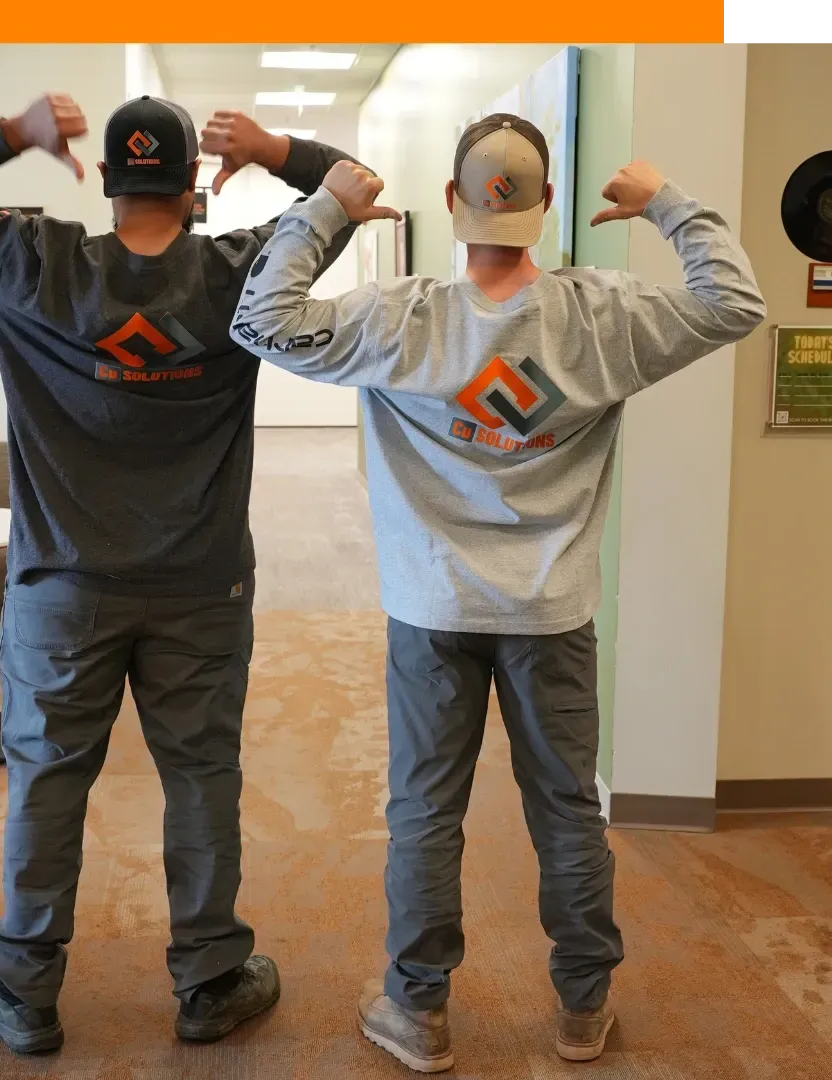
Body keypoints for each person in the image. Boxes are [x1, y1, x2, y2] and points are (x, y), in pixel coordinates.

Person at [231, 113, 765, 1072]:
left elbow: (258, 320)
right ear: (550, 204)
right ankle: (582, 1009)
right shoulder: (604, 315)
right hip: (552, 613)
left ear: (449, 201)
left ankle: (418, 1011)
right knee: (565, 808)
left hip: (431, 613)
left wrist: (327, 213)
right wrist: (667, 206)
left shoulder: (400, 316)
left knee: (424, 813)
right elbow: (734, 301)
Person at [0, 92, 359, 1054]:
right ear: (193, 187)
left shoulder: (35, 261)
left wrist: (12, 134)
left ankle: (23, 991)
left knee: (48, 782)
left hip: (61, 586)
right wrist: (271, 149)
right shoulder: (240, 269)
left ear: (104, 180)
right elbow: (353, 186)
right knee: (202, 779)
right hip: (203, 586)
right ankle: (212, 979)